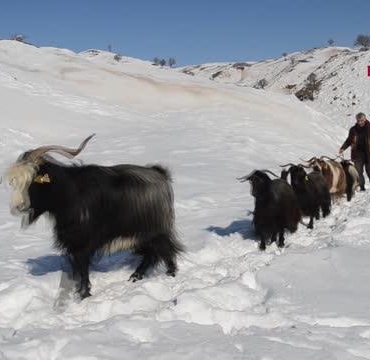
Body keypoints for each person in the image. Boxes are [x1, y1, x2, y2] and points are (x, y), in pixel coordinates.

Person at [339, 112, 370, 191]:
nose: (360, 122)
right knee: (358, 172)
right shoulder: (353, 129)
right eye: (358, 120)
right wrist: (343, 148)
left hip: (368, 154)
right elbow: (349, 140)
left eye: (361, 120)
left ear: (365, 119)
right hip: (357, 154)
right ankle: (362, 187)